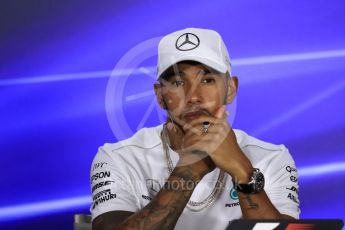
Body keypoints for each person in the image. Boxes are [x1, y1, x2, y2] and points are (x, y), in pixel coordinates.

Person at [90, 28, 300, 230]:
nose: (193, 97)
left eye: (207, 80)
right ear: (160, 95)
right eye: (178, 82)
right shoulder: (119, 157)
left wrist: (243, 173)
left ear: (231, 89)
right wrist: (189, 168)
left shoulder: (272, 158)